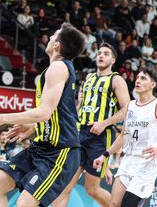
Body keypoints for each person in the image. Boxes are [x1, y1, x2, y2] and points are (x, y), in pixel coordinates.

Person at [0, 24, 86, 207]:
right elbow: (58, 111)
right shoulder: (55, 69)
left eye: (53, 36)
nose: (49, 38)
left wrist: (1, 118)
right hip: (41, 147)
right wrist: (33, 126)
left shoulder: (58, 68)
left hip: (59, 152)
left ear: (57, 45)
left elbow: (44, 112)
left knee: (24, 203)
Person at [53, 43, 131, 207]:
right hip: (80, 134)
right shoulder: (88, 78)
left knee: (92, 189)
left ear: (113, 60)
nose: (101, 56)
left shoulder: (116, 80)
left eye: (106, 54)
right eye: (99, 53)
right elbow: (80, 106)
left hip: (101, 137)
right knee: (65, 185)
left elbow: (127, 110)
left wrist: (104, 123)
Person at [93, 68, 157, 207]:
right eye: (137, 77)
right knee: (114, 203)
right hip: (128, 160)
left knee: (128, 204)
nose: (138, 80)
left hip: (146, 163)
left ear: (153, 85)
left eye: (143, 78)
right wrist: (104, 155)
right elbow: (124, 135)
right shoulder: (131, 106)